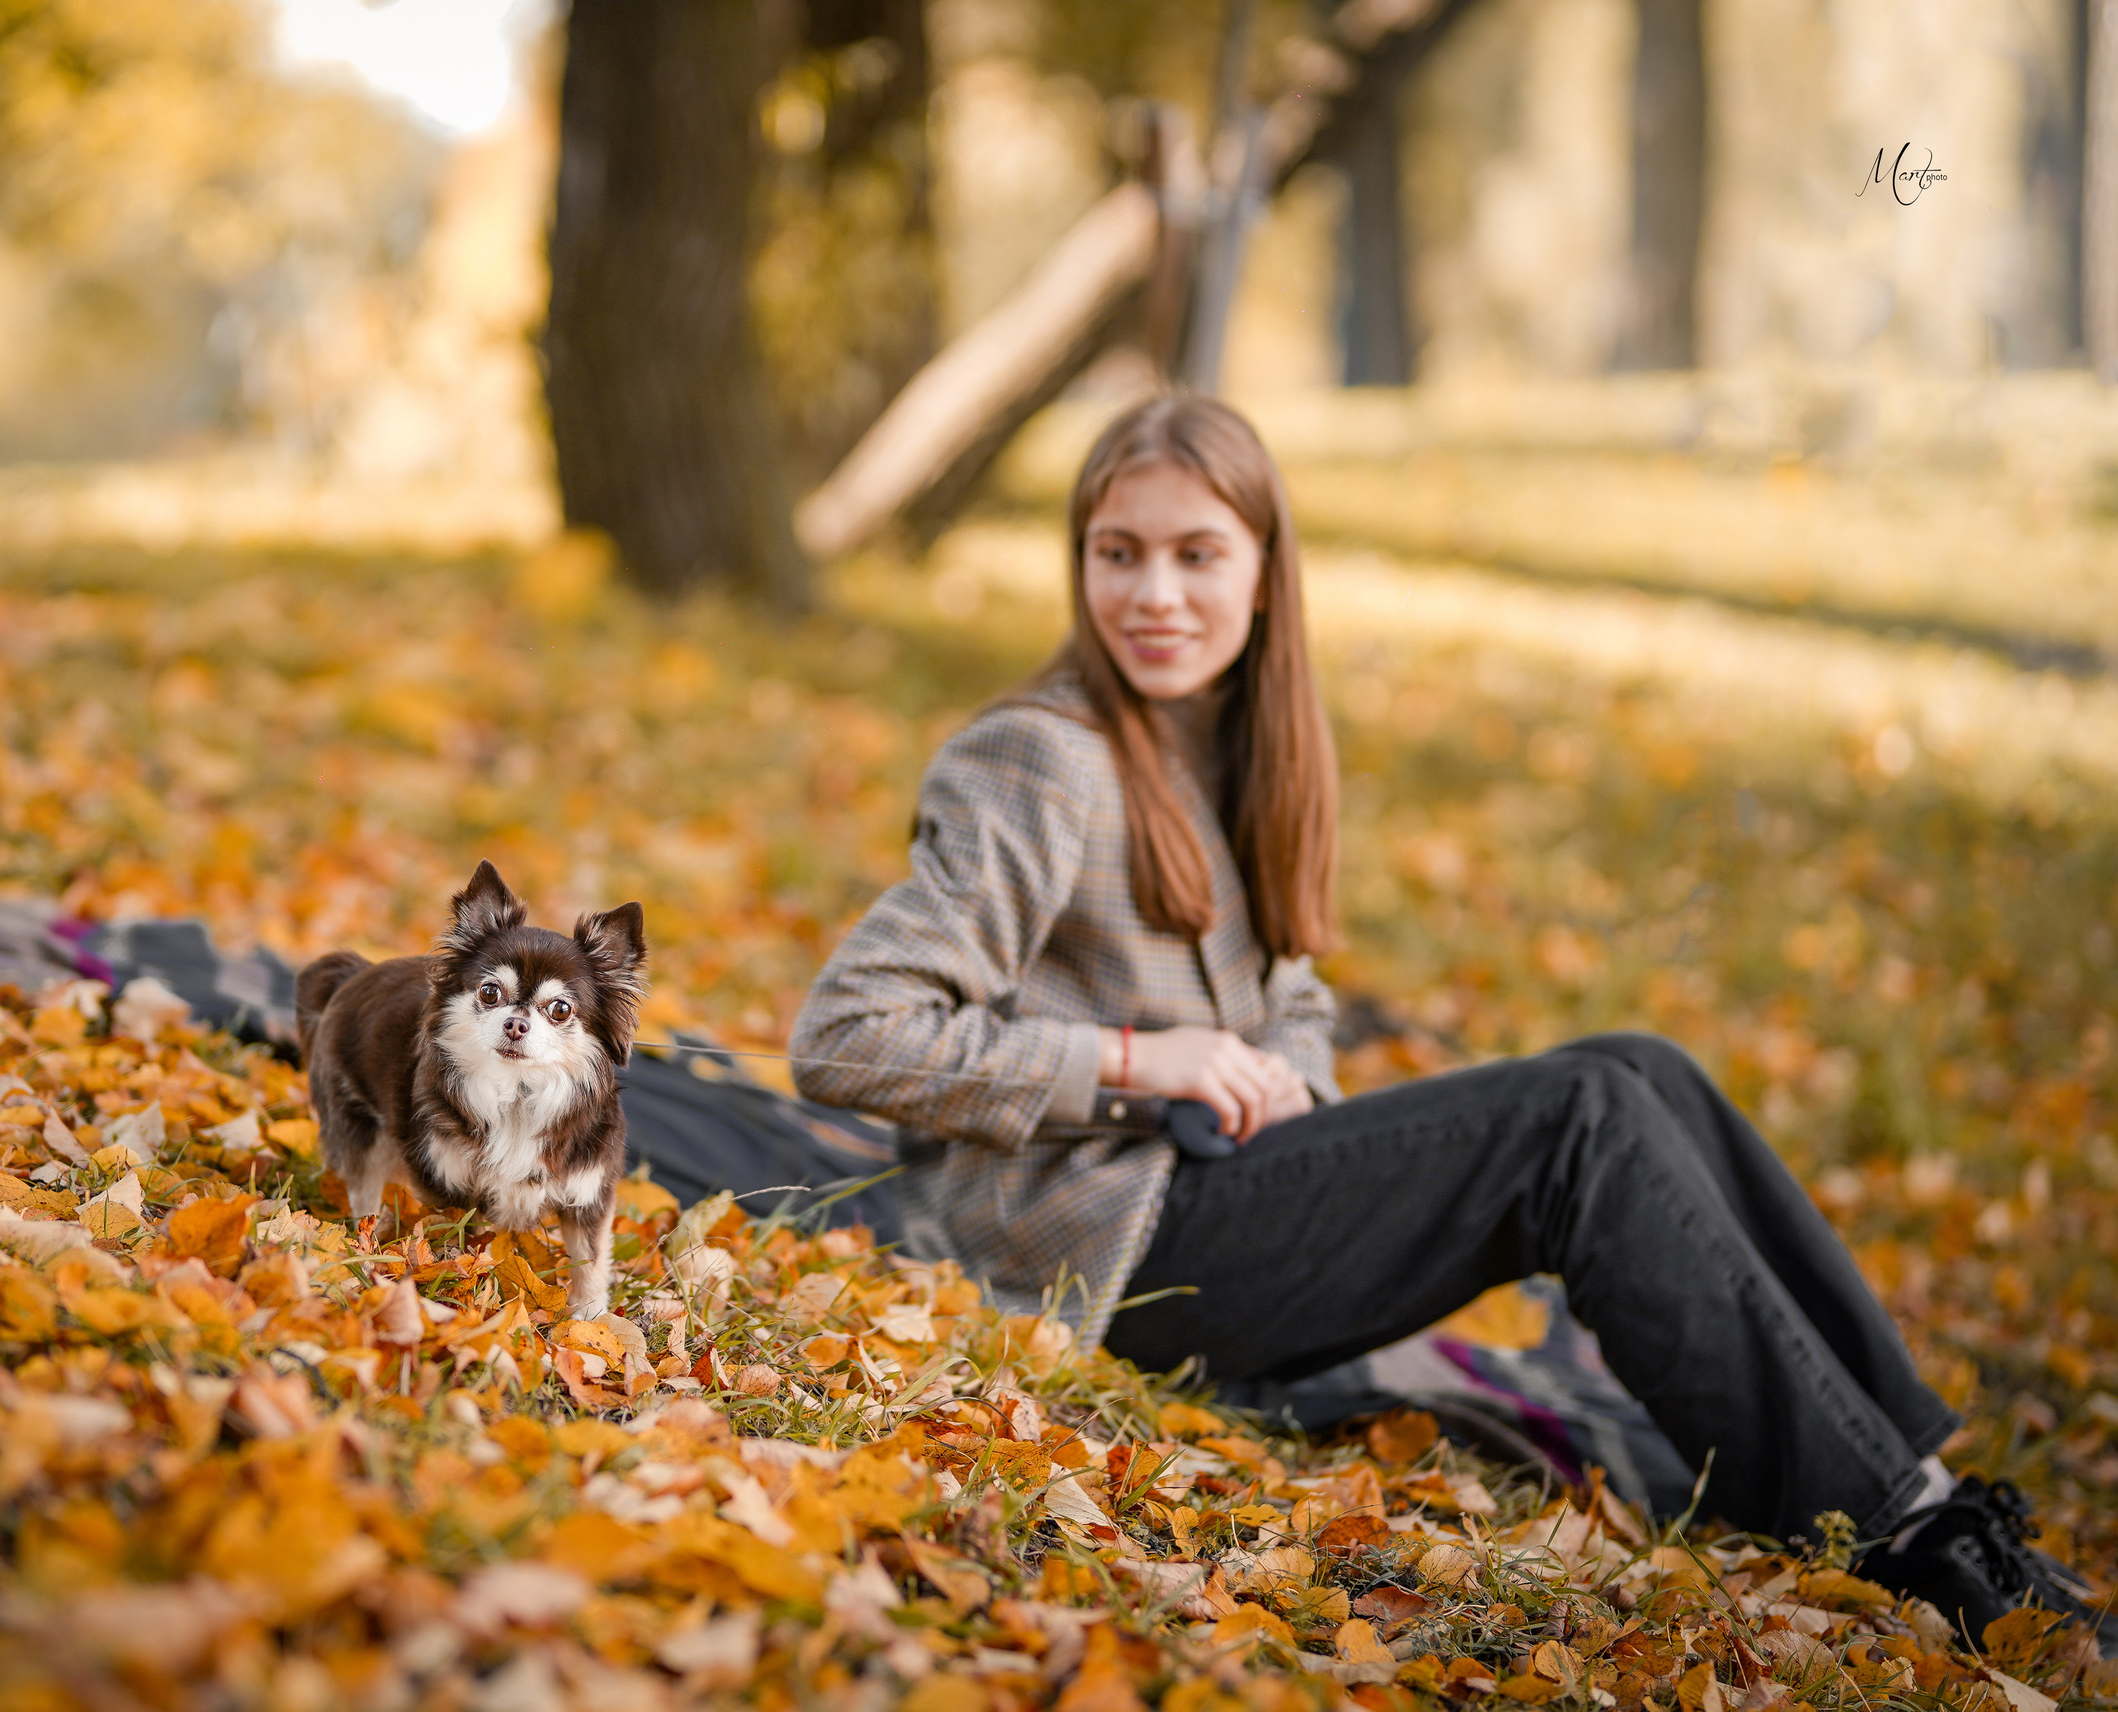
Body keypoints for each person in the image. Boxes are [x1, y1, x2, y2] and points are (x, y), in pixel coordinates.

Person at [788, 395, 2108, 1652]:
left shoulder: (1230, 738)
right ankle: (1900, 1537)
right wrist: (1140, 1064)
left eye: (1197, 554)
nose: (1154, 594)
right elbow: (850, 1031)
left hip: (1215, 1189)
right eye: (1117, 553)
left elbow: (1293, 995)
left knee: (1640, 1066)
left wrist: (1287, 1080)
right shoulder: (1039, 757)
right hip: (1108, 1255)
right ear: (1079, 562)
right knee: (1576, 1123)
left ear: (1265, 571)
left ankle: (1925, 1486)